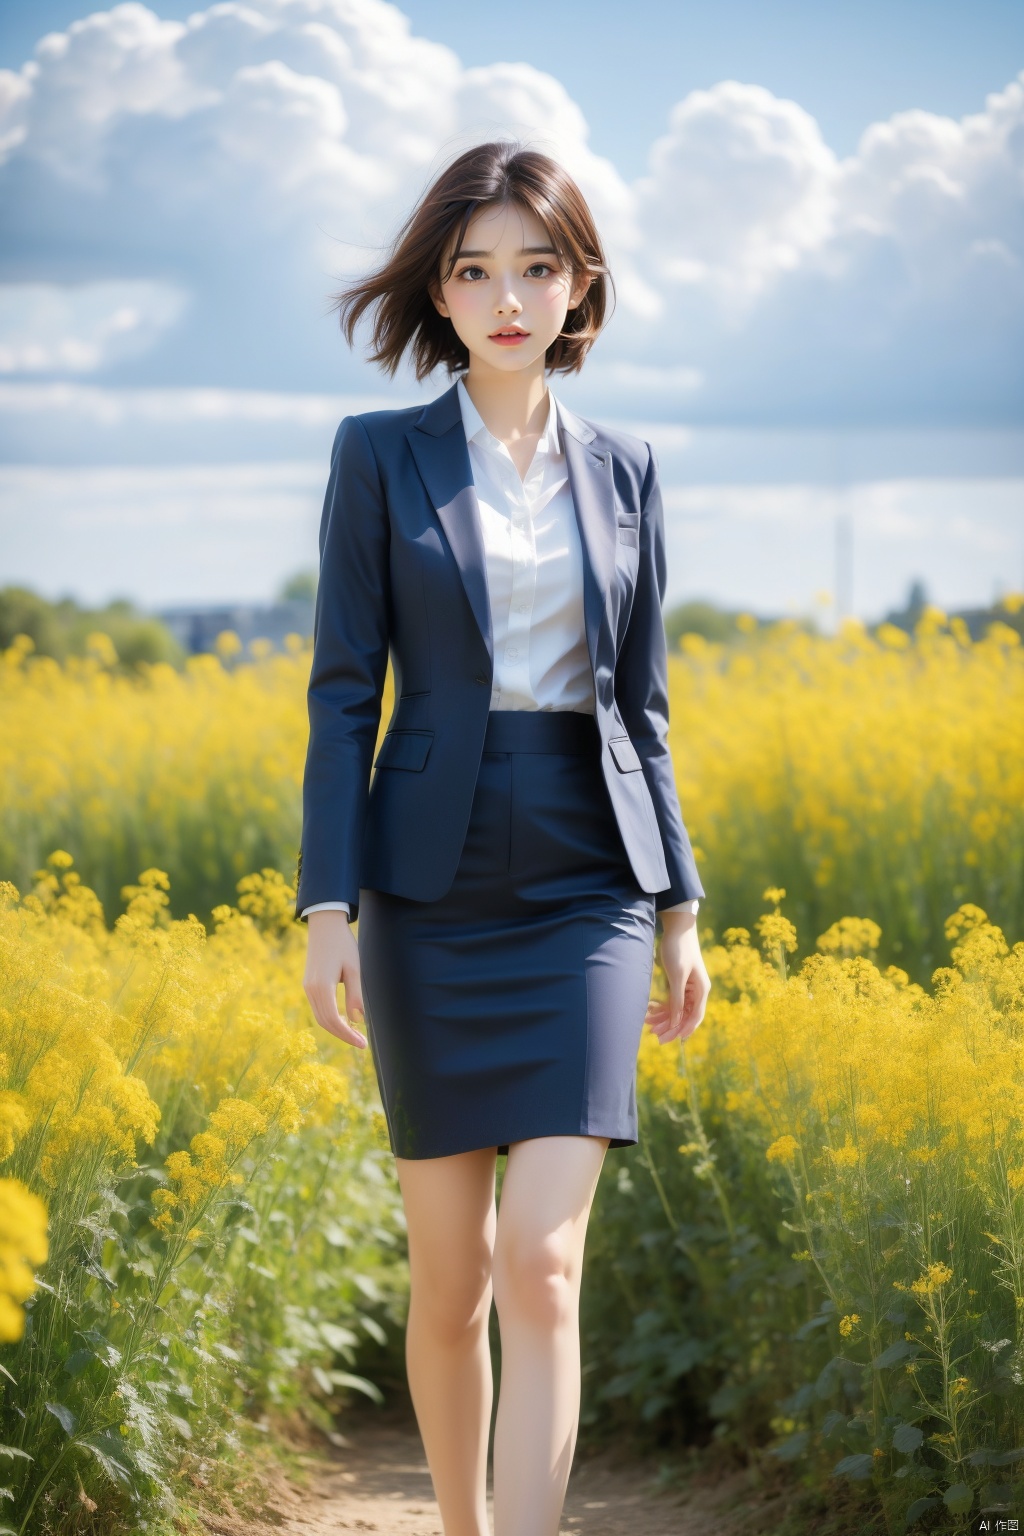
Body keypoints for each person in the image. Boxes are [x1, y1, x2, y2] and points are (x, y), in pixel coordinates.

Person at [296, 140, 711, 1536]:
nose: (508, 295)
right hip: (427, 889)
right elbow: (344, 694)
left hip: (590, 884)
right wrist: (327, 909)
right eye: (476, 269)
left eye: (537, 265)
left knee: (540, 1264)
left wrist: (680, 909)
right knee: (451, 1278)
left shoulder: (632, 468)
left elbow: (642, 704)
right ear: (442, 289)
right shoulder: (377, 455)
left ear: (581, 283)